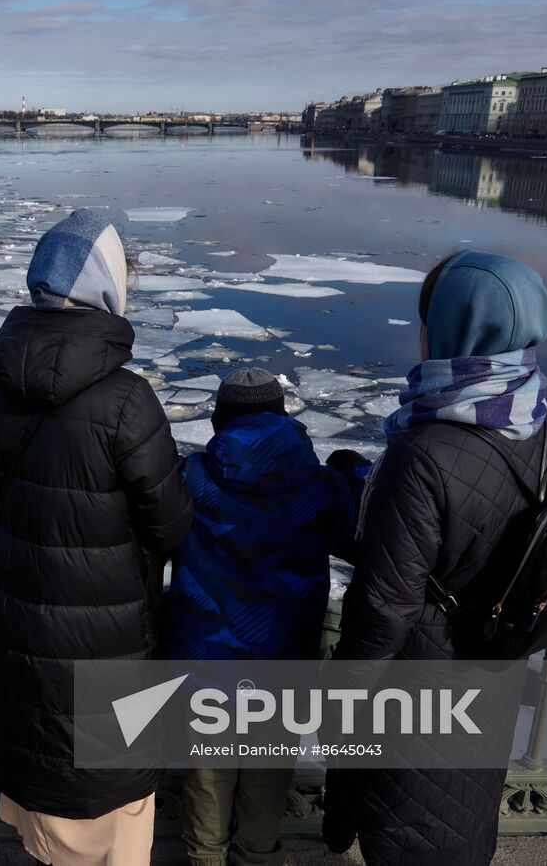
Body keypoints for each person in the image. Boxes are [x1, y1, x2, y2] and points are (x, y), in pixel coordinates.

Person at [322, 250, 547, 865]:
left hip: (424, 674)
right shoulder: (539, 413)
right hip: (493, 655)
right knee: (462, 810)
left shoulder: (425, 448)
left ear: (457, 326)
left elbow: (385, 606)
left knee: (410, 825)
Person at [0, 208, 194, 866]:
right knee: (117, 802)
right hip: (112, 634)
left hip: (22, 617)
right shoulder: (126, 399)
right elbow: (171, 523)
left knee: (46, 775)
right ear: (107, 285)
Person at [166, 367, 368, 866]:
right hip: (283, 651)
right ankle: (256, 856)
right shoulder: (317, 486)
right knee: (267, 765)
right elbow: (360, 534)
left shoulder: (190, 478)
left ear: (220, 419)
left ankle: (206, 858)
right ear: (281, 416)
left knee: (209, 771)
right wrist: (354, 472)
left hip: (205, 652)